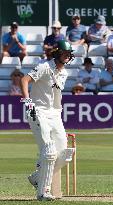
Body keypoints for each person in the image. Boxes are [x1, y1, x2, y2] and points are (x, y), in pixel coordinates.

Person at [20, 40, 75, 201]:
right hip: (38, 111)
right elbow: (24, 80)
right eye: (64, 54)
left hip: (55, 115)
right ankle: (43, 192)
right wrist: (27, 101)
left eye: (69, 54)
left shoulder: (64, 73)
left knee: (64, 154)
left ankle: (37, 177)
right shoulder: (44, 67)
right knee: (49, 152)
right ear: (57, 53)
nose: (67, 57)